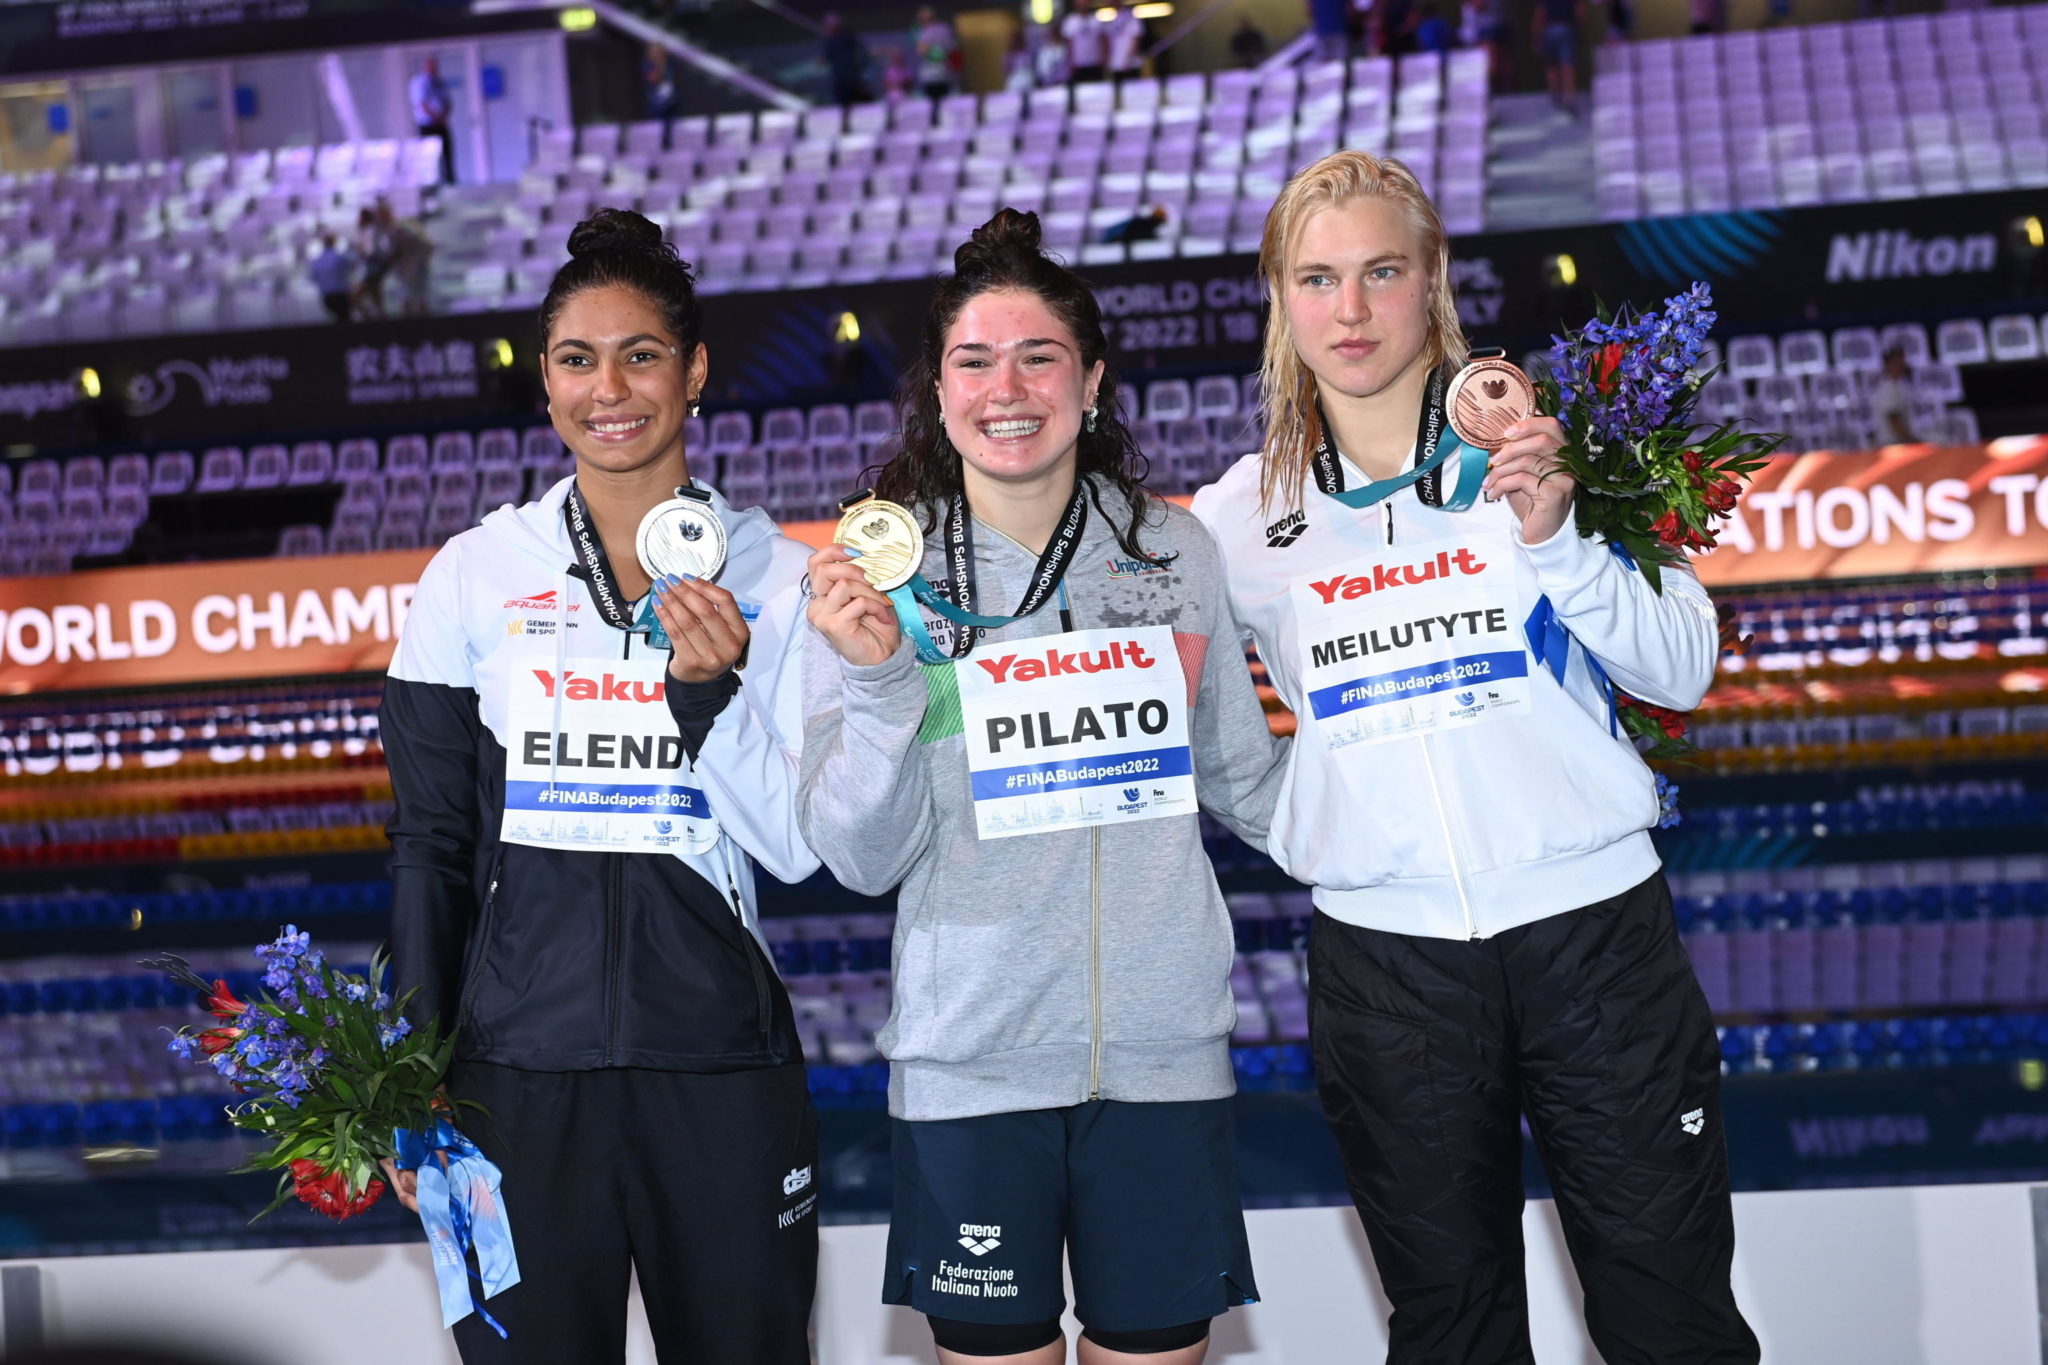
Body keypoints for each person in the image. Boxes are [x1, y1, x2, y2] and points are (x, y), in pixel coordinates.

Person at [1189, 150, 1760, 1364]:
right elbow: (1183, 716)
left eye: (1380, 272)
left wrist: (1556, 539)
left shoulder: (1547, 451)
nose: (1349, 310)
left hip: (1594, 938)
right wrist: (1305, 824)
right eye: (1317, 278)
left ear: (1432, 280)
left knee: (1669, 1314)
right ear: (1279, 301)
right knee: (1452, 1332)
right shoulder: (1235, 517)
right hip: (1386, 969)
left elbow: (1679, 665)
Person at [798, 208, 1287, 1365]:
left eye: (1038, 357)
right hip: (969, 1065)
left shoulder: (1174, 556)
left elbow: (1241, 780)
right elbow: (861, 860)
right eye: (973, 360)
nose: (1004, 387)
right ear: (937, 389)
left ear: (1092, 380)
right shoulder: (878, 579)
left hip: (1162, 1058)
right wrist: (878, 686)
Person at [380, 207, 821, 1363]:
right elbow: (428, 840)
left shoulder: (786, 578)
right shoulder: (472, 575)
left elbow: (805, 837)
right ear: (544, 381)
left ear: (694, 371)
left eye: (640, 354)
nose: (608, 388)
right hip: (505, 1089)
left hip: (719, 1068)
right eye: (577, 359)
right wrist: (411, 1070)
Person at [409, 55, 454, 185]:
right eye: (430, 66)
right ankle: (432, 184)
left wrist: (443, 117)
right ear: (425, 67)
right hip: (427, 125)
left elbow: (447, 102)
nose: (433, 69)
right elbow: (422, 104)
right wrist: (435, 117)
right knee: (430, 159)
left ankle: (450, 183)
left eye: (435, 66)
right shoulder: (419, 83)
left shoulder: (441, 82)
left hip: (442, 124)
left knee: (447, 155)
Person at [1537, 0, 1584, 113]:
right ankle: (1569, 96)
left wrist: (1537, 35)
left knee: (1552, 65)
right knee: (1567, 65)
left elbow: (1540, 14)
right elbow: (1579, 12)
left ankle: (1556, 95)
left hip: (1550, 29)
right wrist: (1580, 30)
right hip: (1566, 28)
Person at [350, 206, 392, 321]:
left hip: (373, 266)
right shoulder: (369, 231)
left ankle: (370, 320)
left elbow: (371, 250)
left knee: (356, 296)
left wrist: (361, 250)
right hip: (372, 266)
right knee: (376, 297)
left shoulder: (372, 231)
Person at [823, 12, 871, 107]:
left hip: (849, 79)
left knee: (853, 103)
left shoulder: (846, 37)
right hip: (843, 79)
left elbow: (862, 53)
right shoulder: (834, 39)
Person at [913, 6, 960, 101]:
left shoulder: (931, 31)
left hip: (935, 76)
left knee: (936, 106)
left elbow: (922, 51)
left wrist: (934, 52)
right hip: (943, 76)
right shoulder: (945, 29)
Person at [1873, 346, 1917, 443]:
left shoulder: (1899, 386)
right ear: (1887, 365)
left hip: (1899, 443)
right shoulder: (1888, 388)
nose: (1901, 365)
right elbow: (1893, 421)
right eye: (1896, 363)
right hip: (1892, 445)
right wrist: (1912, 441)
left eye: (1902, 361)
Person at [309, 232, 353, 323]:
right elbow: (351, 267)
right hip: (341, 296)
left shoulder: (316, 261)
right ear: (334, 242)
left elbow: (313, 278)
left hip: (327, 297)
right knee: (345, 320)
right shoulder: (340, 258)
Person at [1061, 0, 1106, 82]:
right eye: (1080, 4)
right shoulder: (1070, 21)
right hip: (1078, 63)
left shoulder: (1095, 20)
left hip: (1095, 62)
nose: (1083, 6)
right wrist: (1070, 62)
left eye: (1085, 3)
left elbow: (1102, 41)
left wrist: (1103, 58)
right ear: (1075, 5)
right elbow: (1068, 45)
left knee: (1097, 89)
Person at [1103, 0, 1146, 82]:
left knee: (1132, 92)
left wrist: (1129, 60)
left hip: (1130, 65)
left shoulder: (1131, 16)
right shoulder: (1112, 18)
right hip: (1116, 64)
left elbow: (1136, 38)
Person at [643, 43, 679, 120]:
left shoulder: (669, 64)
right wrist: (659, 67)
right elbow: (653, 78)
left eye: (659, 52)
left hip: (670, 101)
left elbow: (672, 78)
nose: (657, 54)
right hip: (656, 102)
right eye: (654, 52)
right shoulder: (648, 65)